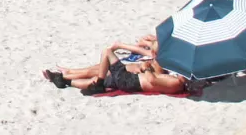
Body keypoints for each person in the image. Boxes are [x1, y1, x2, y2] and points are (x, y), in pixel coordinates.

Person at [42, 36, 191, 95]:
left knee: (104, 63)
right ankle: (66, 78)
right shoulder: (172, 76)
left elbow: (153, 80)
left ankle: (67, 78)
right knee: (99, 70)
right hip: (131, 77)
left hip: (130, 80)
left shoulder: (175, 82)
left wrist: (146, 69)